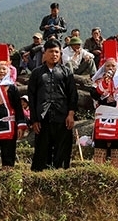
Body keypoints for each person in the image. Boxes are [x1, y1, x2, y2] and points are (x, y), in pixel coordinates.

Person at [28, 38, 78, 171]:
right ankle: (41, 180)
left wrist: (71, 114)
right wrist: (34, 120)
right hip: (42, 118)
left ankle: (60, 178)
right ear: (45, 53)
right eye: (51, 51)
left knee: (62, 150)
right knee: (42, 151)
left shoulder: (66, 72)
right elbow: (31, 98)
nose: (54, 54)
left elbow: (73, 94)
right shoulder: (36, 73)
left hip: (62, 117)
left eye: (57, 52)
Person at [90, 39, 118, 170]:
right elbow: (95, 95)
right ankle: (98, 174)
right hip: (102, 119)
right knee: (100, 149)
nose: (110, 68)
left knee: (117, 150)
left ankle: (116, 175)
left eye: (113, 66)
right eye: (108, 66)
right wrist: (104, 82)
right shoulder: (98, 82)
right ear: (103, 67)